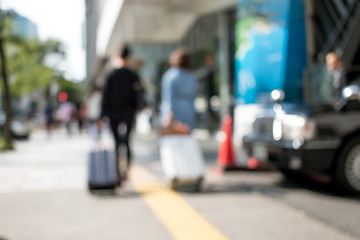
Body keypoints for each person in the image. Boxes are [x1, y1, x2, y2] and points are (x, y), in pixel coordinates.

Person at [100, 44, 141, 182]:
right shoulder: (133, 74)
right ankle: (127, 171)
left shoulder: (111, 74)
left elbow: (105, 96)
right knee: (128, 142)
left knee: (117, 142)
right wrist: (136, 109)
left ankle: (117, 171)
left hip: (113, 113)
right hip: (129, 112)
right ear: (129, 57)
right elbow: (138, 95)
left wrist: (102, 114)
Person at [160, 48, 197, 131]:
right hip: (188, 112)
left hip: (174, 113)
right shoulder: (191, 77)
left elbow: (169, 97)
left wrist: (168, 115)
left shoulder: (170, 76)